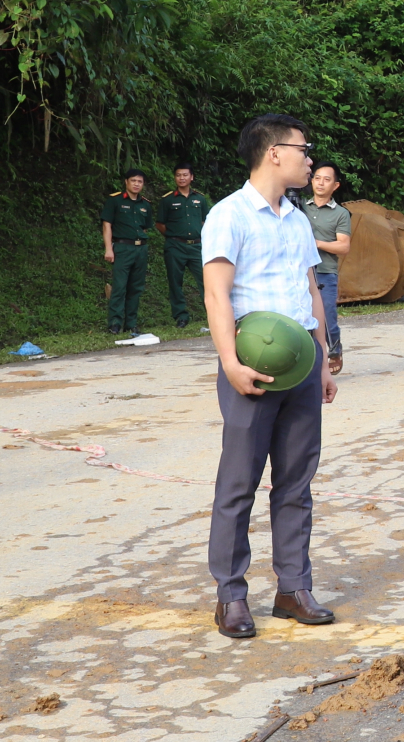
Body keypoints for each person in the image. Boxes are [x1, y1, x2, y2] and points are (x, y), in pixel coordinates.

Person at [201, 114, 340, 640]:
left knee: (296, 481)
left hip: (301, 363)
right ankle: (231, 595)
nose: (311, 159)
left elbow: (312, 293)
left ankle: (293, 587)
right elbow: (217, 294)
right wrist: (231, 362)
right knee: (238, 483)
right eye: (305, 150)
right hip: (252, 366)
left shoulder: (299, 220)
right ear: (274, 153)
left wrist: (323, 358)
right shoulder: (228, 215)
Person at [300, 162, 352, 376]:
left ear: (335, 185)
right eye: (317, 178)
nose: (321, 183)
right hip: (299, 271)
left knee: (327, 314)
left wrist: (315, 243)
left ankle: (334, 348)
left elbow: (343, 246)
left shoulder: (341, 214)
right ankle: (306, 360)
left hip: (324, 271)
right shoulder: (298, 206)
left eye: (326, 179)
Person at [155, 164, 210, 329]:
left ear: (191, 177)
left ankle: (213, 315)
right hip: (175, 247)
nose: (182, 178)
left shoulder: (199, 199)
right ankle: (181, 317)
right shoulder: (168, 199)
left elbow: (204, 222)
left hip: (197, 247)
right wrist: (174, 237)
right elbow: (160, 224)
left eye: (185, 175)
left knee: (207, 281)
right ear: (175, 178)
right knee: (175, 282)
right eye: (178, 175)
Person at [101, 169, 154, 336]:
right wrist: (109, 248)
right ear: (126, 182)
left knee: (135, 287)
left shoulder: (145, 204)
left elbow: (145, 227)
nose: (137, 184)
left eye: (140, 181)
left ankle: (131, 324)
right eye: (133, 181)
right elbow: (106, 225)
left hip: (141, 248)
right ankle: (115, 323)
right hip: (122, 248)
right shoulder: (115, 201)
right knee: (119, 286)